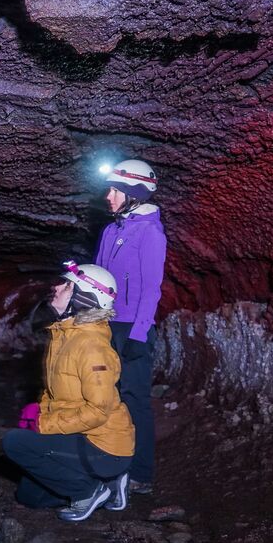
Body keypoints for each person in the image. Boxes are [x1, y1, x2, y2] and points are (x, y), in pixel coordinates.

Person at [2, 262, 135, 521]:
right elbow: (55, 390)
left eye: (65, 285)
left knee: (14, 443)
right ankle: (108, 485)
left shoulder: (92, 346)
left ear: (82, 297)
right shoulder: (64, 334)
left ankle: (89, 490)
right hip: (80, 436)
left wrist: (44, 424)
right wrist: (41, 409)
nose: (56, 287)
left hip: (104, 445)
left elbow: (97, 411)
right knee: (29, 497)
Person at [94, 159, 167, 496]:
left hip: (132, 329)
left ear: (134, 193)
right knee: (103, 396)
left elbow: (152, 289)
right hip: (107, 326)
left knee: (135, 400)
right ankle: (108, 462)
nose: (108, 197)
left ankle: (141, 473)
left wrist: (139, 334)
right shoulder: (111, 230)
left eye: (115, 190)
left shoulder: (150, 233)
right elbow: (98, 280)